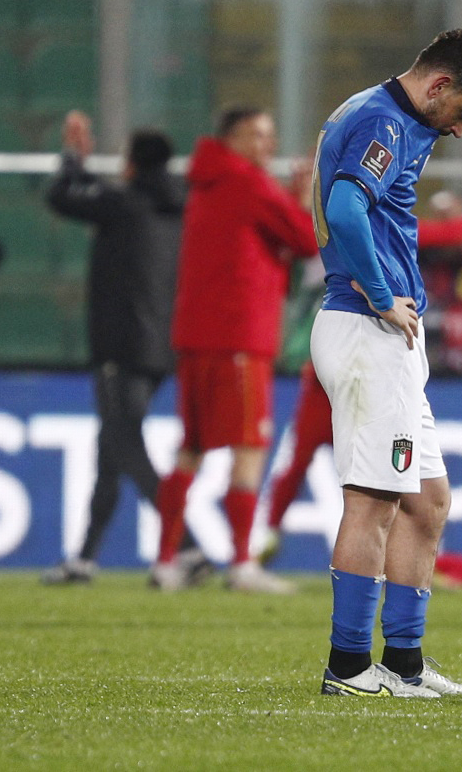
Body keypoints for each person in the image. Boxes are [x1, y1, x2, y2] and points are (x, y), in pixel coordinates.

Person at [314, 29, 462, 698]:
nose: (458, 129)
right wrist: (374, 287)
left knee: (427, 503)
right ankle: (346, 667)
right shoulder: (383, 122)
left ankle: (402, 664)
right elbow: (344, 207)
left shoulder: (388, 116)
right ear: (437, 87)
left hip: (389, 333)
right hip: (367, 326)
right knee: (374, 502)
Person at [259, 198, 462, 559]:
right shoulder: (376, 227)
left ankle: (267, 534)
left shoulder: (334, 225)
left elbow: (440, 235)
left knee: (343, 465)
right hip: (360, 364)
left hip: (329, 364)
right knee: (391, 466)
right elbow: (439, 234)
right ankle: (417, 550)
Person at [151, 107, 318, 594]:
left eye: (269, 135)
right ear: (229, 139)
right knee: (251, 446)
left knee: (192, 448)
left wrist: (288, 199)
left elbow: (260, 238)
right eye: (254, 135)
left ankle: (166, 563)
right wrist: (302, 198)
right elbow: (307, 241)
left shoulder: (207, 181)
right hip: (240, 334)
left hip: (196, 335)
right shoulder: (249, 183)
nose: (265, 145)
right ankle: (242, 564)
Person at [40, 110, 207, 585]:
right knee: (110, 449)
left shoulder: (123, 203)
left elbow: (60, 197)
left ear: (131, 164)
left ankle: (190, 548)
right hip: (162, 345)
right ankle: (85, 559)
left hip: (120, 342)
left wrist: (74, 158)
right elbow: (109, 196)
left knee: (124, 443)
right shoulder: (179, 206)